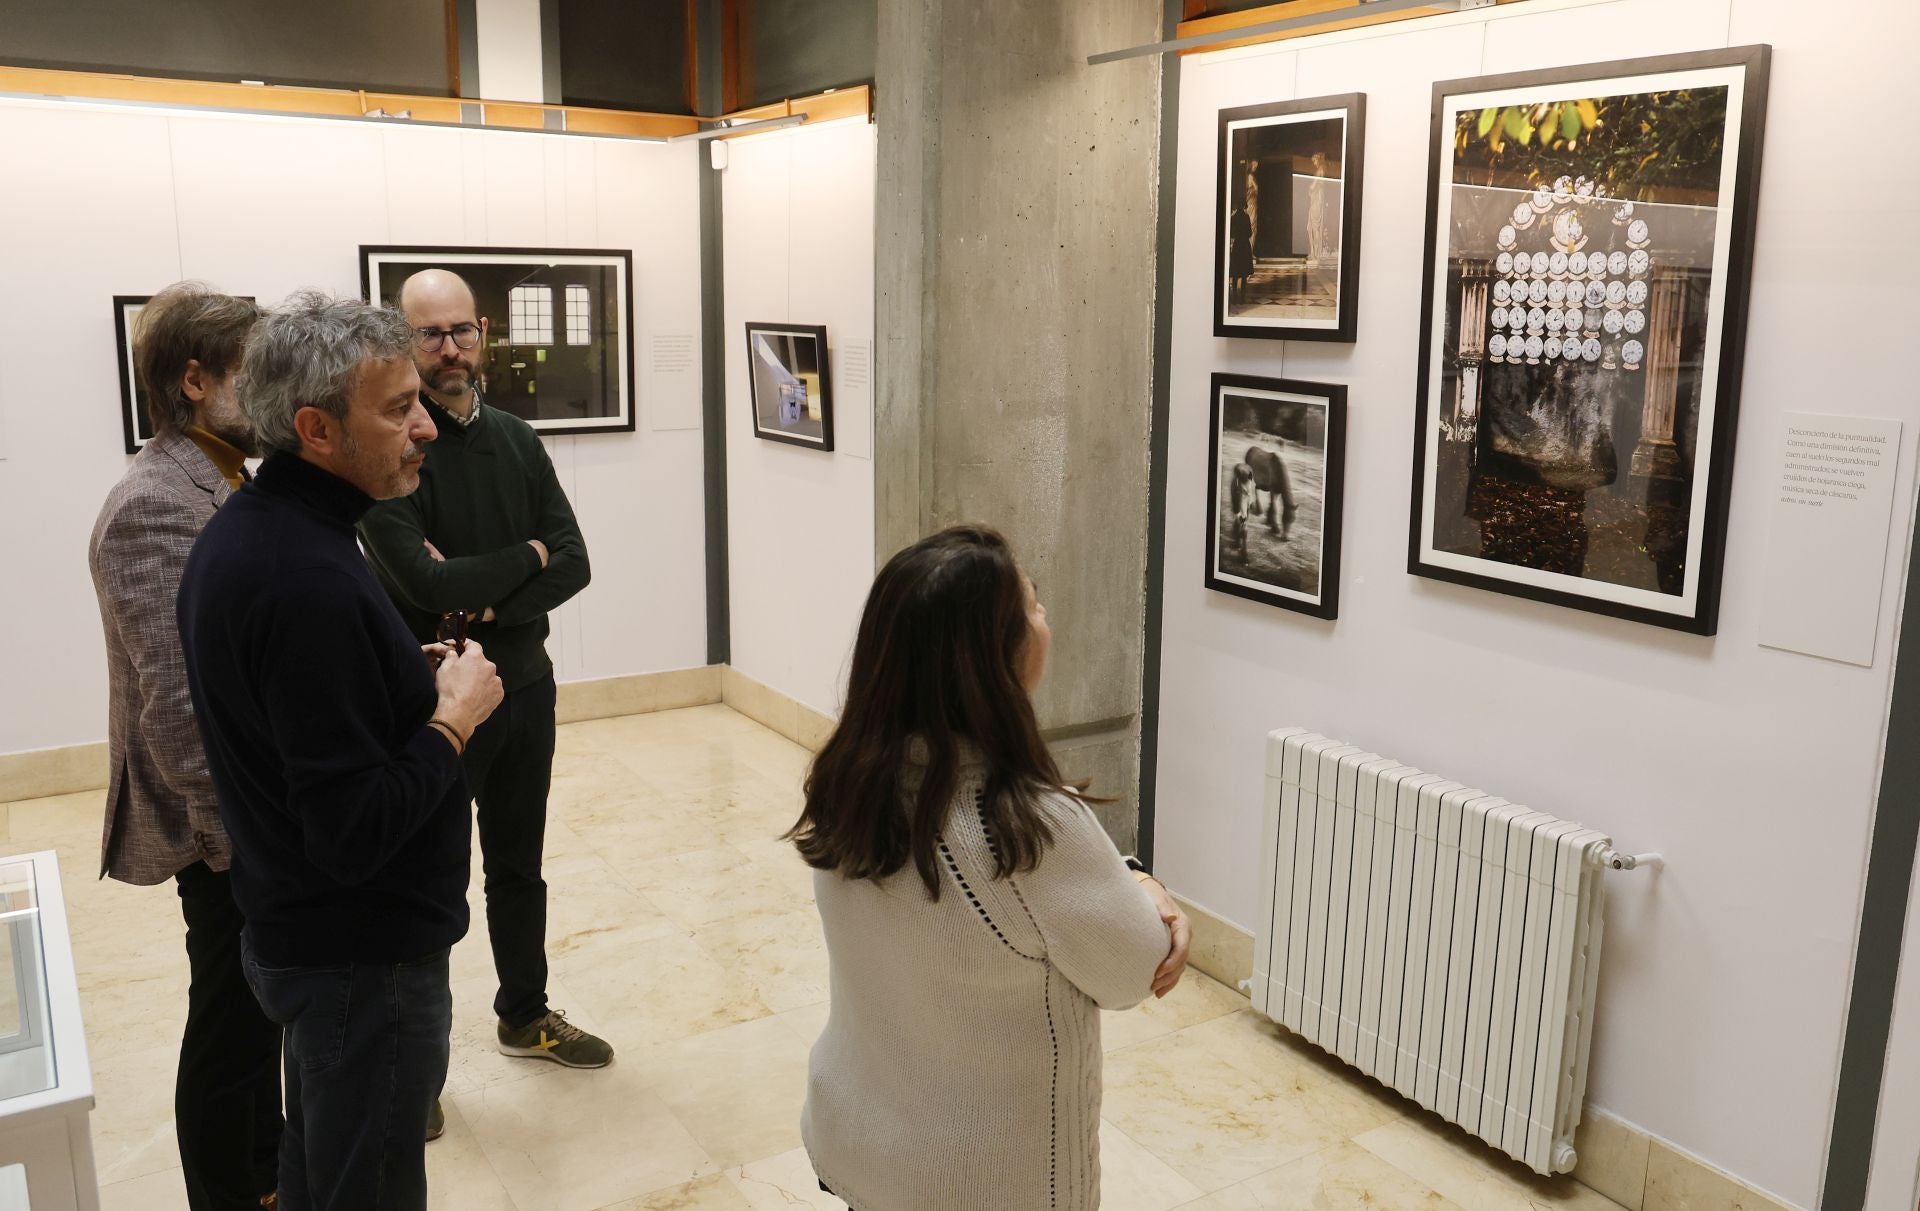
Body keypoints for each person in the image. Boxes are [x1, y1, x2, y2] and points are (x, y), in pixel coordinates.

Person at [178, 292, 503, 1211]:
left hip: (306, 937)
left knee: (318, 1165)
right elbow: (350, 828)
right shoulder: (304, 572)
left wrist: (404, 677)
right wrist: (453, 717)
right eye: (397, 408)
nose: (425, 426)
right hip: (361, 959)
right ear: (316, 428)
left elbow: (316, 721)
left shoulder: (262, 530)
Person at [787, 525, 1191, 1211]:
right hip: (979, 1179)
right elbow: (1133, 971)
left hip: (859, 1135)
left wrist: (1117, 872)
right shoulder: (1022, 825)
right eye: (1032, 608)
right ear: (990, 659)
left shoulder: (849, 782)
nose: (1045, 621)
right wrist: (1147, 889)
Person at [357, 269, 610, 1069]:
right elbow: (422, 584)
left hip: (524, 688)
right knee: (427, 882)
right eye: (430, 334)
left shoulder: (516, 438)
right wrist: (523, 559)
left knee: (518, 867)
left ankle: (524, 1014)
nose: (450, 349)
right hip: (437, 703)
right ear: (407, 345)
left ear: (483, 334)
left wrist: (486, 600)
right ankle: (419, 1065)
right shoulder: (391, 452)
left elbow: (574, 561)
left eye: (461, 330)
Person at [87, 283, 283, 1211]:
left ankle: (269, 1175)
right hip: (225, 827)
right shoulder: (155, 502)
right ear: (195, 381)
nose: (279, 391)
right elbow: (178, 708)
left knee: (257, 1016)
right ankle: (227, 1191)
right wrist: (232, 843)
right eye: (259, 374)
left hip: (257, 811)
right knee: (230, 1021)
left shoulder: (227, 474)